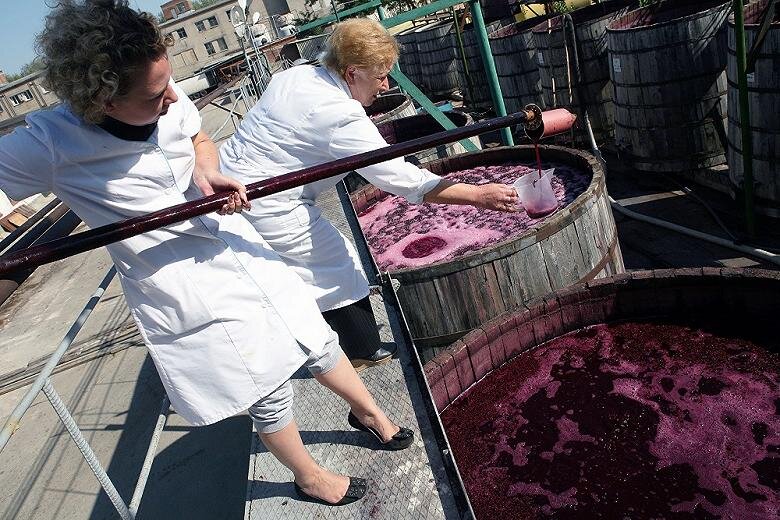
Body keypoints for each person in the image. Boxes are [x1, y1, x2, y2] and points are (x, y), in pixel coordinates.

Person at [0, 0, 413, 506]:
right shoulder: (50, 142)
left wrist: (207, 168)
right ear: (104, 100)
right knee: (264, 381)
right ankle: (310, 478)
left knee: (313, 331)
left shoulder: (167, 97)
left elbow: (197, 134)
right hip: (181, 279)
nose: (174, 97)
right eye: (156, 94)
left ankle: (369, 413)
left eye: (169, 81)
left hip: (234, 240)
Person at [219, 18, 518, 371]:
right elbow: (401, 179)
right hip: (266, 200)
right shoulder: (339, 114)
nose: (386, 85)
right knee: (337, 263)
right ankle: (359, 350)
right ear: (352, 73)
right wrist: (479, 195)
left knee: (303, 267)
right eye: (381, 76)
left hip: (230, 179)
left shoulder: (297, 75)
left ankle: (338, 341)